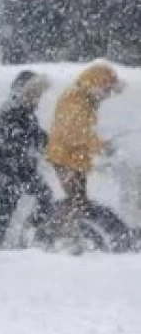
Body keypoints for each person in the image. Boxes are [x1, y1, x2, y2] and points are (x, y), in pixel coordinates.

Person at [46, 63, 125, 254]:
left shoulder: (85, 100)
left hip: (74, 159)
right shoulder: (75, 101)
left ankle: (67, 234)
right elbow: (74, 133)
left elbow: (81, 132)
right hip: (66, 158)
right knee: (76, 199)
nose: (107, 96)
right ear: (96, 85)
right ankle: (65, 237)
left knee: (78, 199)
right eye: (107, 91)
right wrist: (101, 146)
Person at [0, 71, 53, 247]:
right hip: (9, 170)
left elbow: (35, 135)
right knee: (6, 209)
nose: (36, 98)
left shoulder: (27, 112)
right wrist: (33, 139)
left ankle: (31, 227)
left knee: (44, 194)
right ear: (22, 91)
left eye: (38, 95)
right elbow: (14, 137)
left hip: (24, 170)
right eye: (33, 93)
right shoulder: (10, 110)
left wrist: (43, 139)